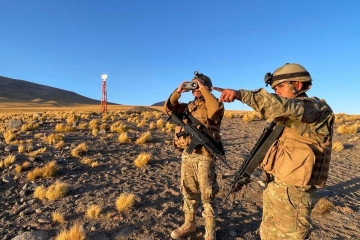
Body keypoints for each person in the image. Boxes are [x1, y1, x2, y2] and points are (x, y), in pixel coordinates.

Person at [213, 63, 334, 240]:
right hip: (275, 187)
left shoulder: (315, 109)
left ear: (297, 85)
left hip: (294, 195)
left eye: (280, 87)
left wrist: (241, 95)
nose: (276, 91)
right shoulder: (288, 117)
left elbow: (281, 106)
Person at [163, 71, 224, 240]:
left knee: (207, 194)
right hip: (188, 156)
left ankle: (210, 231)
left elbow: (215, 110)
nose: (196, 89)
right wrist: (178, 91)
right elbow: (168, 108)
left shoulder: (214, 103)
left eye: (199, 85)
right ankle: (189, 224)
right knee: (188, 191)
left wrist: (205, 90)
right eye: (194, 86)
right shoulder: (188, 106)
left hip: (205, 156)